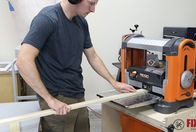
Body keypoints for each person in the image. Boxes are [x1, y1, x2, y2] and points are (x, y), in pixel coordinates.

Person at [16, 0, 136, 131]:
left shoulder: (81, 22)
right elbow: (23, 61)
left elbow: (93, 56)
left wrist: (114, 82)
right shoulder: (47, 19)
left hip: (78, 94)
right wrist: (50, 100)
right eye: (91, 3)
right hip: (57, 98)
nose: (93, 9)